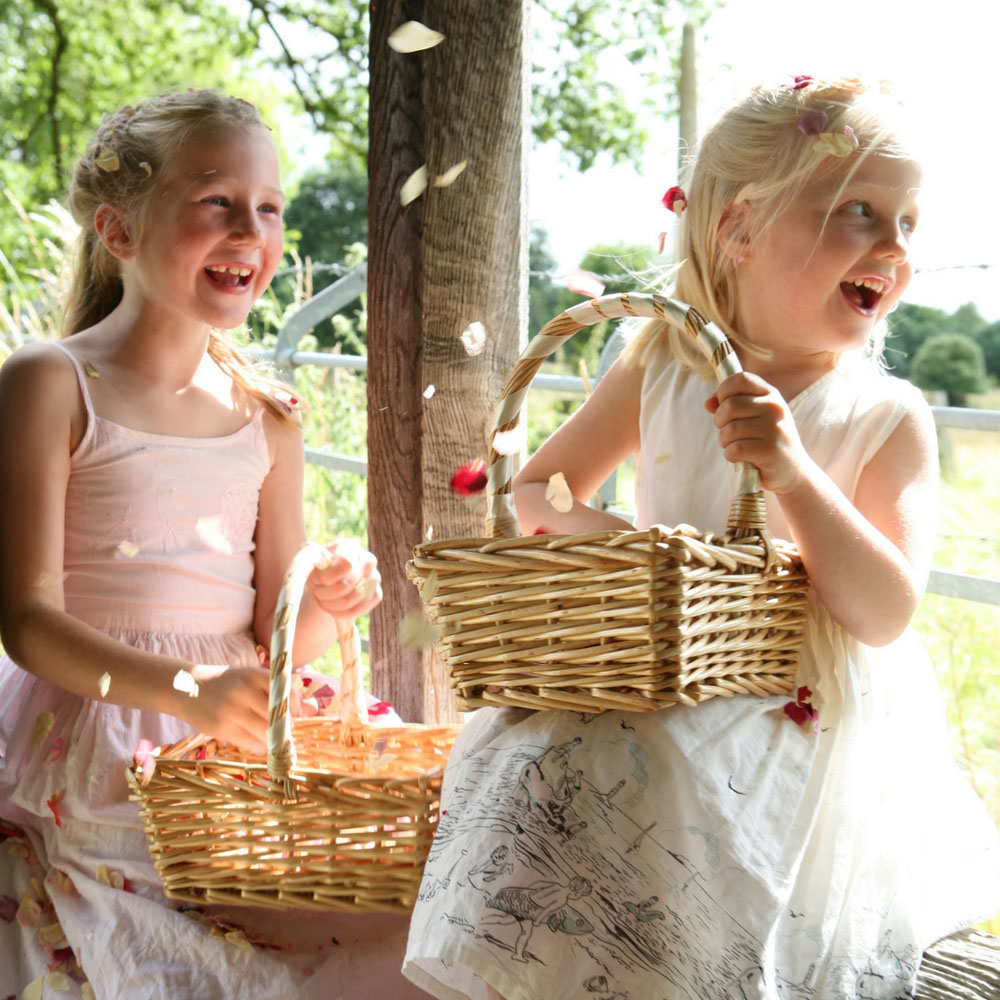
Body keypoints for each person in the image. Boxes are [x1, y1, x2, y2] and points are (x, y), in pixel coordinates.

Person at [403, 76, 1000, 999]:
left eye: (909, 223)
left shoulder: (885, 415)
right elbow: (537, 489)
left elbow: (884, 612)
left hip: (794, 708)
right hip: (663, 666)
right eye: (857, 213)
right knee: (534, 755)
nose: (894, 247)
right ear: (740, 228)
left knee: (660, 769)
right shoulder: (662, 366)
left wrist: (794, 473)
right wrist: (647, 557)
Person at [0, 90, 425, 999]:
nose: (251, 230)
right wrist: (182, 691)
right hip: (106, 724)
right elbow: (28, 621)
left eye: (267, 208)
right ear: (118, 229)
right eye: (216, 201)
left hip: (234, 734)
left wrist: (329, 600)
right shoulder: (51, 383)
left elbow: (278, 638)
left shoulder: (268, 420)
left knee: (382, 909)